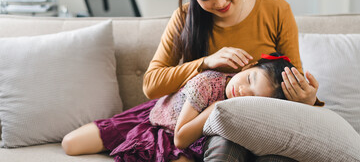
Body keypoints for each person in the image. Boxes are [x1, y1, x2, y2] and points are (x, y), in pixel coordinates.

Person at [142, 0, 323, 161]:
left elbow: (287, 76)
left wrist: (306, 100)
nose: (219, 2)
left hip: (265, 121)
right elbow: (151, 85)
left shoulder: (276, 9)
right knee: (225, 147)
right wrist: (205, 62)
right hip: (210, 128)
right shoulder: (184, 18)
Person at [62, 53, 294, 161]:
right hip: (158, 120)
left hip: (187, 142)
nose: (243, 91)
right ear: (248, 67)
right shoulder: (208, 82)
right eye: (250, 80)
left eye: (252, 96)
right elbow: (180, 137)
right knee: (70, 144)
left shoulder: (247, 109)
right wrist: (215, 110)